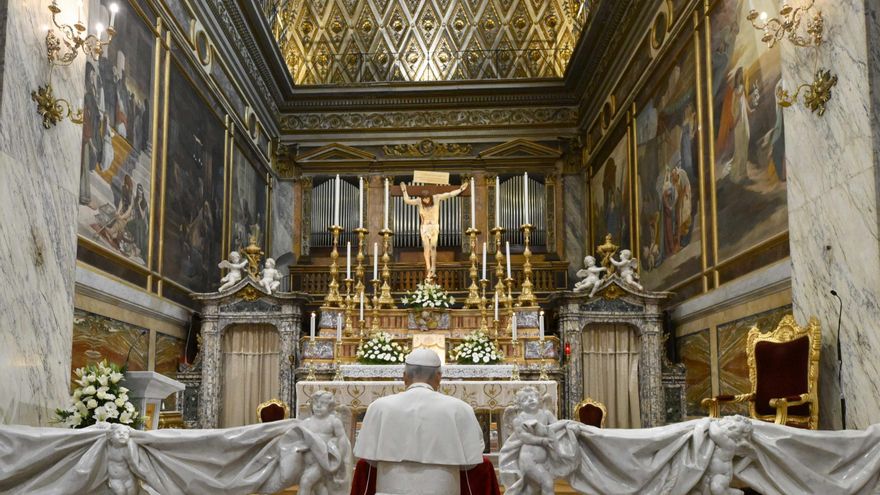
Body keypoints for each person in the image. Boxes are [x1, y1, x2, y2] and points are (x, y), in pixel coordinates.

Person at [353, 348, 484, 495]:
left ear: (404, 376)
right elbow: (471, 462)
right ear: (439, 376)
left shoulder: (379, 407)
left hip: (391, 487)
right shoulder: (460, 409)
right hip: (443, 488)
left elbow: (369, 459)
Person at [400, 181, 468, 281]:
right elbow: (407, 201)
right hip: (424, 227)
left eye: (427, 199)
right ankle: (428, 267)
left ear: (430, 197)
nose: (426, 201)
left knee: (433, 247)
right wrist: (404, 190)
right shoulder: (419, 201)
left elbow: (449, 194)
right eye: (424, 199)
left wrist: (460, 189)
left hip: (434, 227)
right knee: (426, 247)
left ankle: (433, 267)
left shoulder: (436, 198)